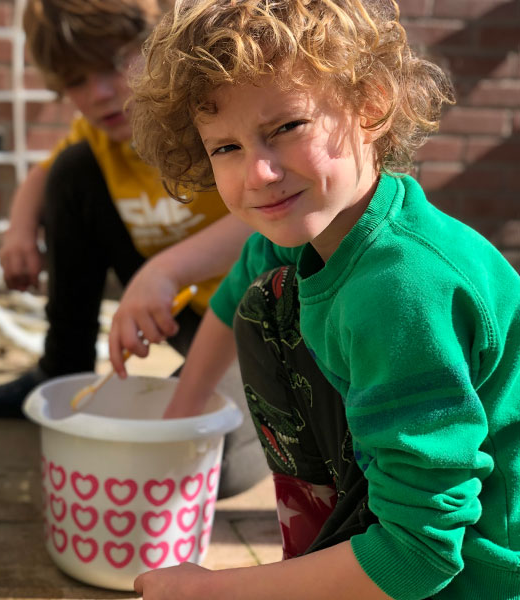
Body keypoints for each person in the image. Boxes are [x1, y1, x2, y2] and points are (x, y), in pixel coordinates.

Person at [122, 1, 520, 598]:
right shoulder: (313, 226)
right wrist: (180, 419)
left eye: (287, 128)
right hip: (417, 546)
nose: (257, 172)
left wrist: (214, 591)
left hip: (479, 574)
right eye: (224, 148)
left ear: (372, 105)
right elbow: (232, 302)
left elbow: (423, 552)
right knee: (264, 300)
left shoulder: (402, 287)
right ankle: (329, 557)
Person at [0, 0, 252, 418]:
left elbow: (270, 221)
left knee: (195, 451)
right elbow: (46, 173)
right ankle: (60, 370)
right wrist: (20, 228)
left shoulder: (211, 109)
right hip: (182, 314)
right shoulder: (98, 137)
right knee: (72, 169)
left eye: (113, 64)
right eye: (76, 80)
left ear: (158, 40)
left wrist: (166, 269)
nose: (98, 93)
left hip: (254, 320)